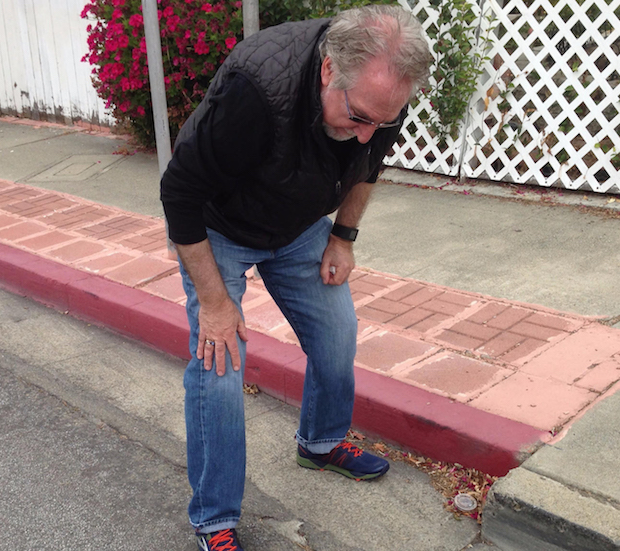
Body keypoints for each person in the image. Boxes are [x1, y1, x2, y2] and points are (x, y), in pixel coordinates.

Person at [160, 5, 433, 550]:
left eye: (381, 123)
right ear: (329, 70)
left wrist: (343, 236)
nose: (366, 135)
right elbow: (179, 193)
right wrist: (214, 302)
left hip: (298, 224)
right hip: (220, 226)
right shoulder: (256, 90)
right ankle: (214, 519)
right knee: (218, 363)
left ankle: (321, 443)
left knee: (337, 332)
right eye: (358, 117)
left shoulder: (381, 97)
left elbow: (368, 164)